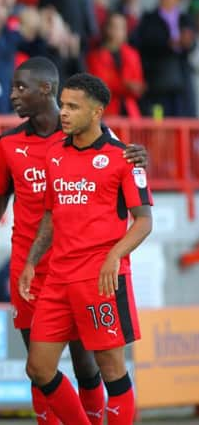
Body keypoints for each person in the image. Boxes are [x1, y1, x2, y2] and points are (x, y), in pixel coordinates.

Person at [0, 56, 147, 425]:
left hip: (89, 268)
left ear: (46, 89)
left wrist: (138, 156)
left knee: (90, 363)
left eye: (21, 88)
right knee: (38, 365)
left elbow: (131, 182)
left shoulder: (99, 141)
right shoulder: (11, 145)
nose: (12, 95)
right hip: (32, 267)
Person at [19, 72, 153, 424]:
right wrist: (33, 261)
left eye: (73, 107)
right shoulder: (54, 154)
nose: (63, 112)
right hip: (58, 278)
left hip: (101, 280)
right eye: (63, 104)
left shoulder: (123, 157)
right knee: (39, 368)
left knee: (111, 368)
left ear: (97, 112)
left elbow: (144, 221)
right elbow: (51, 213)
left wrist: (115, 255)